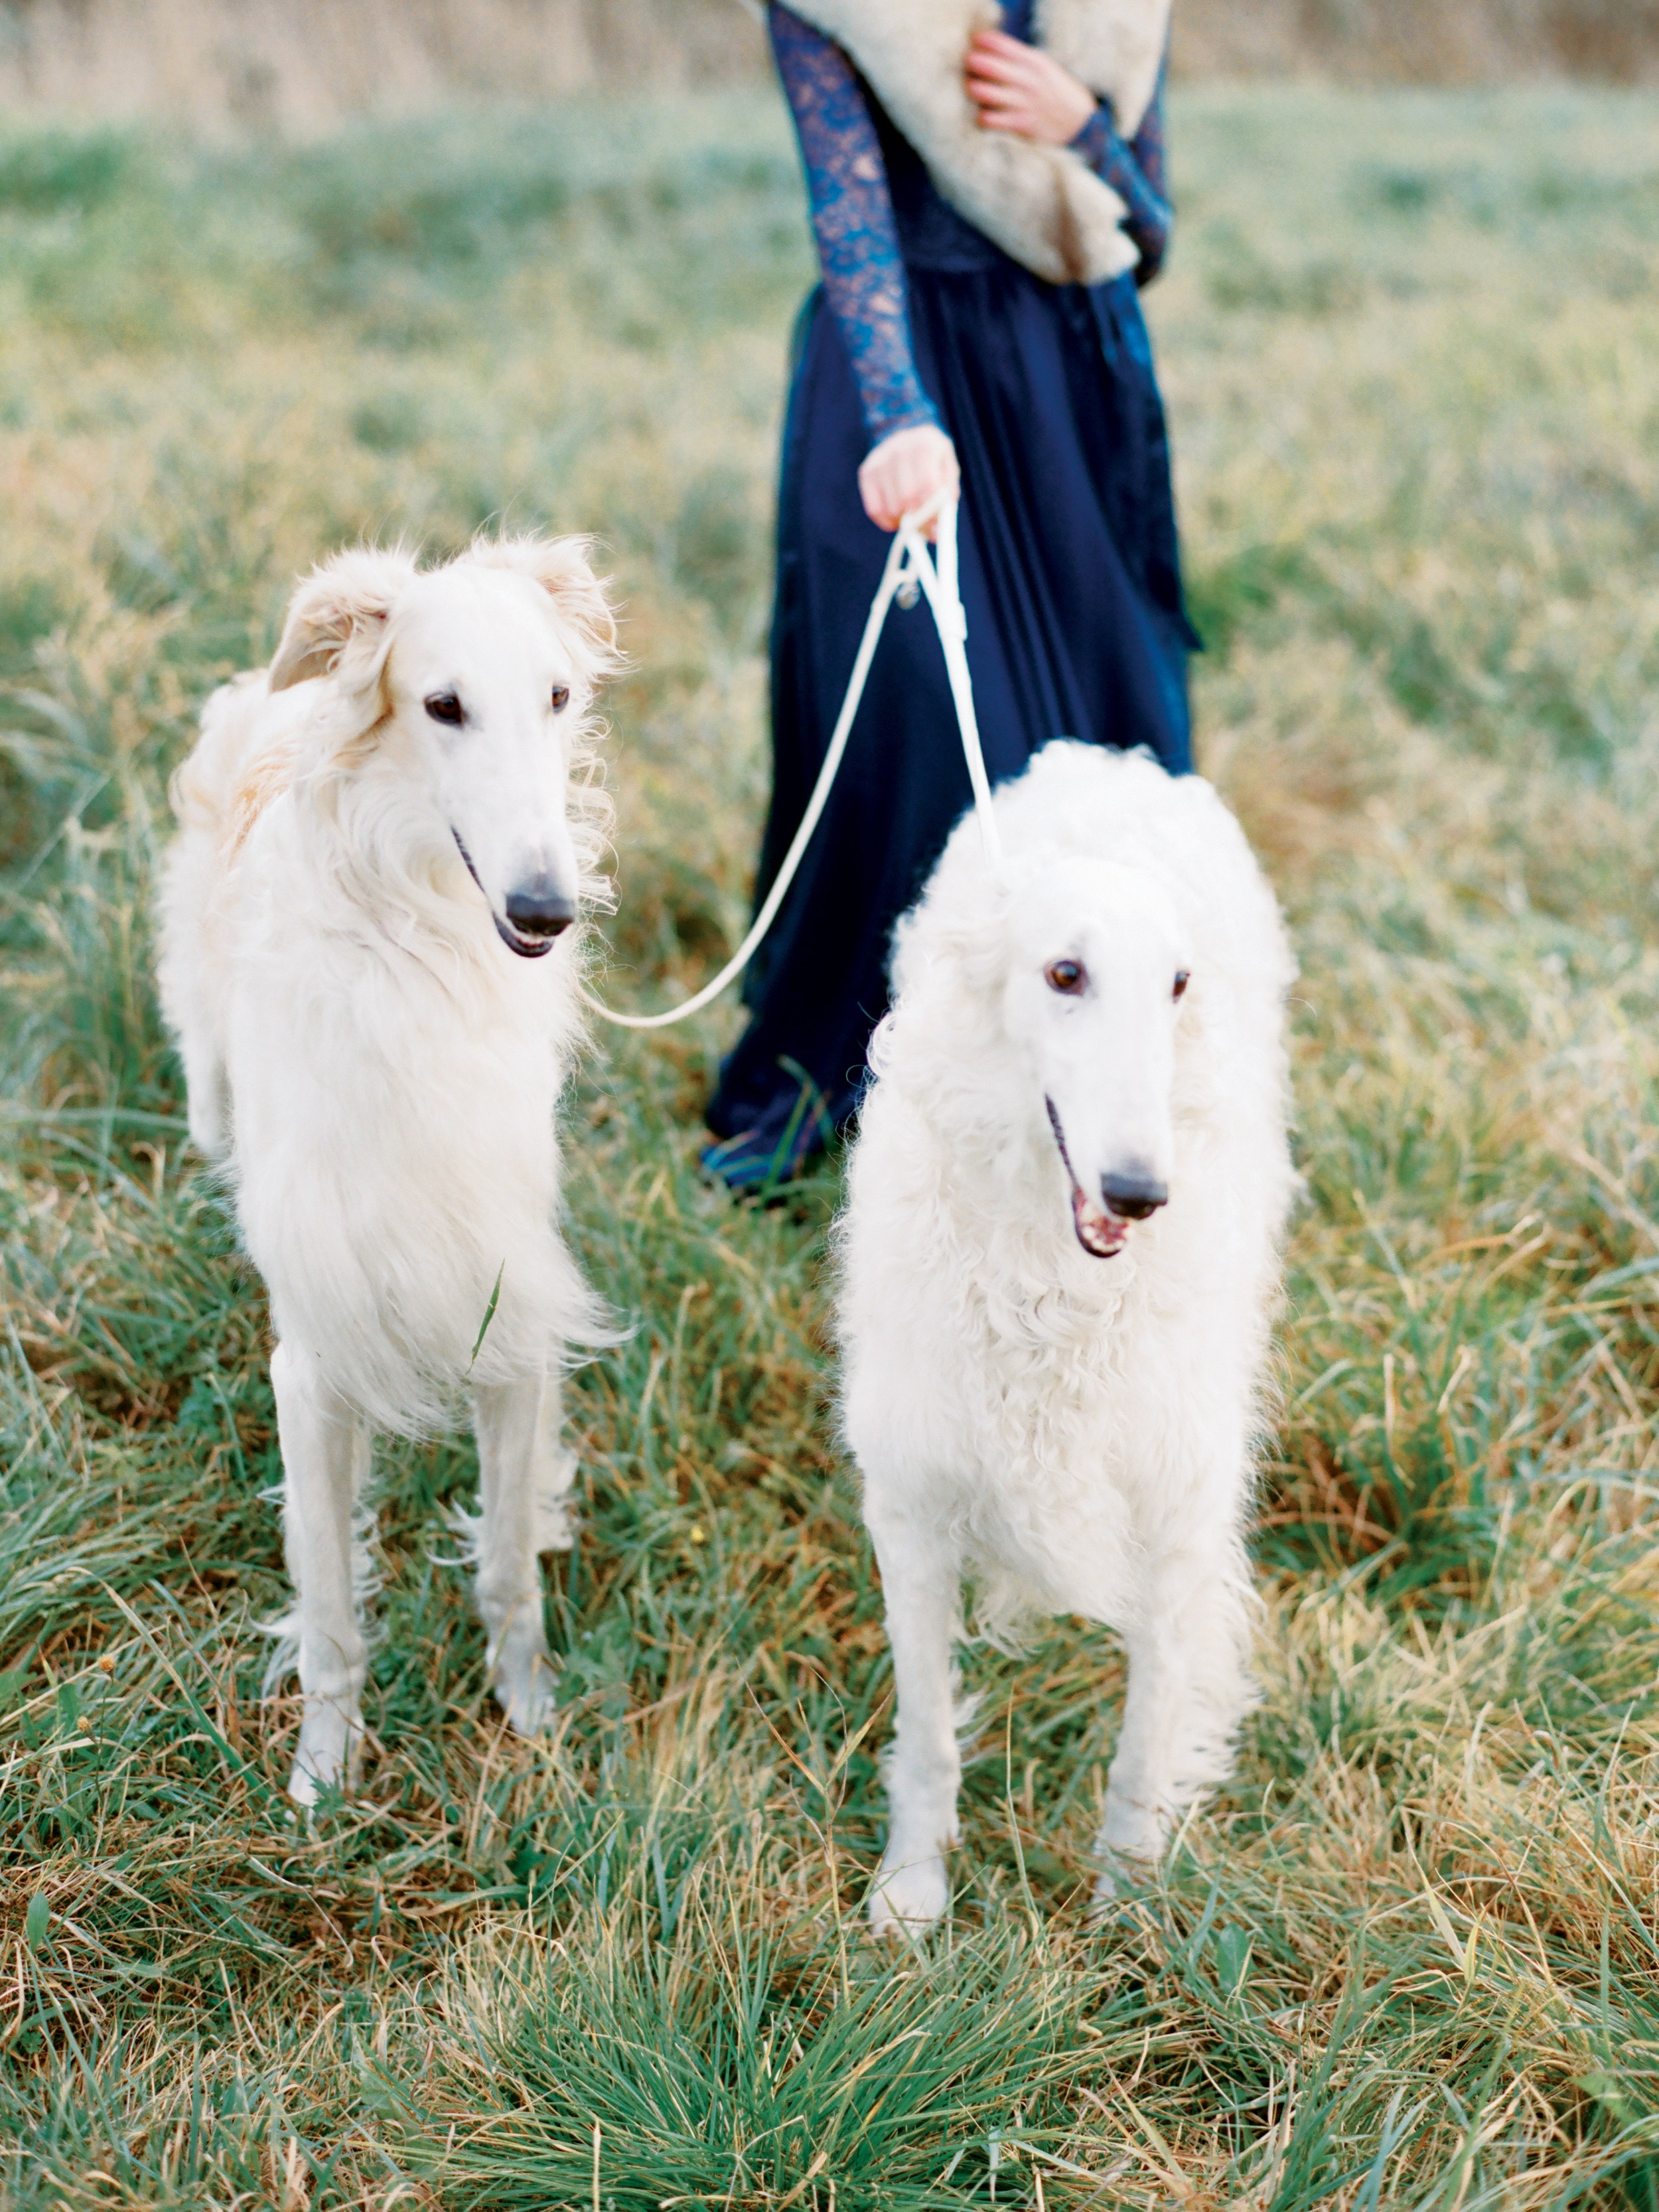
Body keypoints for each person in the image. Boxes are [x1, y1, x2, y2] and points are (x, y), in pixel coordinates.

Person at [703, 0, 1196, 1191]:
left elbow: (1154, 235)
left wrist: (1085, 128)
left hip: (1071, 385)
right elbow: (850, 217)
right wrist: (900, 416)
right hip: (901, 388)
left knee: (1118, 725)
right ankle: (892, 1076)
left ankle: (1112, 1068)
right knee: (920, 730)